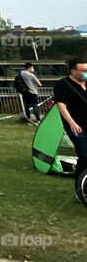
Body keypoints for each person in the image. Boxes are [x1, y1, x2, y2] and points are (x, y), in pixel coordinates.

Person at [53, 58, 87, 202]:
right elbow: (61, 105)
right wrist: (72, 123)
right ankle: (81, 190)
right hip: (77, 127)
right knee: (85, 155)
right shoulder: (63, 84)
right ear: (73, 71)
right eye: (84, 71)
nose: (86, 73)